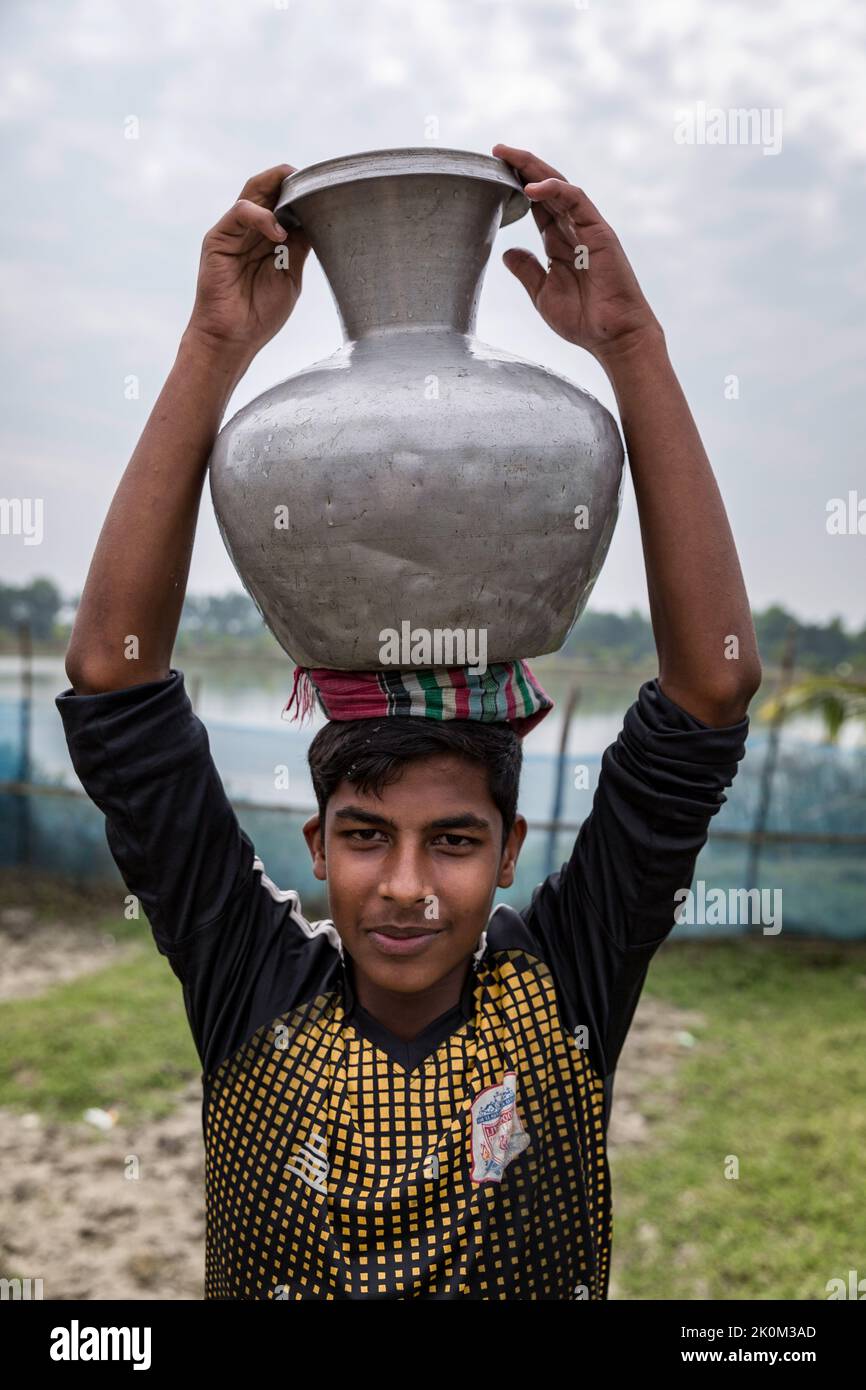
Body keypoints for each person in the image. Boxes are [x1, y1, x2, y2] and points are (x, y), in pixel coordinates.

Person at [56, 144, 761, 1301]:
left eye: (453, 840)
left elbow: (712, 688)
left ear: (511, 853)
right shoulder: (249, 986)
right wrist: (212, 351)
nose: (403, 888)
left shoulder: (565, 985)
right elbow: (112, 682)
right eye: (367, 833)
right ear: (316, 844)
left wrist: (629, 346)